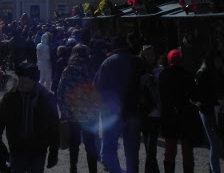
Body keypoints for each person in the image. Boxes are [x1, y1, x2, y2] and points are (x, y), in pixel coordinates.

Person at [0, 62, 59, 173]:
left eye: (25, 81)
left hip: (38, 149)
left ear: (34, 81)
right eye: (20, 80)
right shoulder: (10, 97)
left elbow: (54, 127)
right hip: (17, 148)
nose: (21, 84)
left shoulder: (47, 98)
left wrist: (54, 151)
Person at [93, 36, 144, 173]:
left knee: (109, 150)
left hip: (112, 112)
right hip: (134, 111)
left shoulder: (108, 62)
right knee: (132, 152)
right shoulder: (137, 61)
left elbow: (97, 87)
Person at [57, 44, 100, 173]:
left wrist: (64, 111)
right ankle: (93, 170)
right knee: (90, 145)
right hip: (89, 114)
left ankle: (73, 168)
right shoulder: (92, 69)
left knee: (74, 144)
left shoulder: (68, 70)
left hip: (72, 114)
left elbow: (60, 92)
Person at [158, 49, 201, 173]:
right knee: (187, 151)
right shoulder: (187, 75)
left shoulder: (163, 74)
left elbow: (160, 96)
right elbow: (194, 96)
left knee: (170, 150)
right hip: (185, 116)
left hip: (169, 116)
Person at [193, 49, 224, 173]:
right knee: (215, 144)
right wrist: (215, 100)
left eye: (220, 60)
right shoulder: (202, 73)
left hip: (216, 111)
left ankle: (212, 170)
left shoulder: (218, 72)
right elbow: (196, 96)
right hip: (207, 112)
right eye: (217, 60)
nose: (219, 63)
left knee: (215, 143)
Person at [139, 45, 163, 173]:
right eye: (147, 55)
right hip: (145, 112)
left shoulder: (160, 70)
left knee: (151, 147)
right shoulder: (140, 71)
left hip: (157, 112)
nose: (150, 57)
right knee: (149, 148)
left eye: (152, 54)